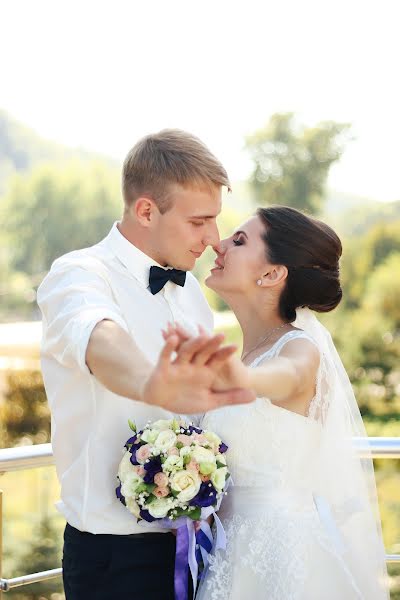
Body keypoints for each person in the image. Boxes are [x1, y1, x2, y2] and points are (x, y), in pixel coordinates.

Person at [36, 129, 254, 600]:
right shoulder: (79, 274)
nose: (213, 239)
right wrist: (151, 385)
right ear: (146, 211)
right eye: (199, 221)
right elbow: (98, 336)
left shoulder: (192, 292)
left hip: (195, 548)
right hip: (114, 558)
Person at [165, 206, 389, 599]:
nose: (218, 244)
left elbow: (288, 376)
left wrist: (245, 379)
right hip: (223, 556)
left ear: (271, 274)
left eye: (239, 240)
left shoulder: (300, 349)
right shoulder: (242, 355)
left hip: (285, 562)